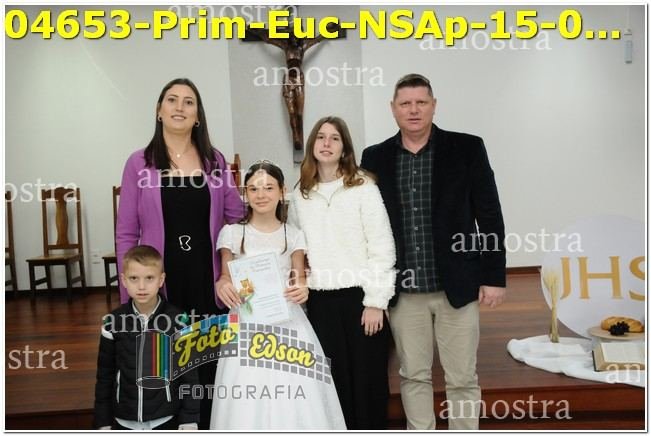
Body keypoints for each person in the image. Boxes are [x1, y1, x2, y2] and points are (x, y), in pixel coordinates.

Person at [360, 73, 507, 430]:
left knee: (462, 377)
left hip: (456, 285)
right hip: (404, 290)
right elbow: (366, 224)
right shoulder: (375, 157)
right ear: (393, 109)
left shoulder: (467, 148)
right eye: (405, 103)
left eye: (421, 102)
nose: (413, 110)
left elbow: (489, 214)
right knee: (413, 375)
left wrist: (493, 277)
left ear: (434, 106)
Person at [115, 78, 244, 429]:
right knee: (165, 368)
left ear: (197, 116)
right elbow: (126, 232)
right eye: (171, 100)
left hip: (207, 279)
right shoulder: (138, 163)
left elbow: (236, 218)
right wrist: (129, 294)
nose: (179, 107)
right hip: (162, 284)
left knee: (208, 368)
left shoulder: (214, 161)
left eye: (189, 102)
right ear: (159, 110)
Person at [211, 161, 346, 430]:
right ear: (245, 194)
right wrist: (222, 285)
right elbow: (225, 276)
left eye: (268, 188)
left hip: (287, 321)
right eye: (253, 189)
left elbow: (299, 278)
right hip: (246, 321)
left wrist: (302, 289)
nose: (261, 195)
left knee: (294, 388)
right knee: (247, 389)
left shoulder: (293, 235)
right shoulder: (232, 233)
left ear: (282, 191)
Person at [288, 116, 396, 429]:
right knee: (333, 385)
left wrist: (376, 301)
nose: (326, 143)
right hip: (321, 302)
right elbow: (297, 250)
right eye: (321, 137)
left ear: (345, 148)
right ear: (312, 145)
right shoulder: (301, 194)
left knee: (368, 383)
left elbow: (382, 246)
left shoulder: (363, 187)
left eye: (334, 138)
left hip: (360, 300)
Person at [93, 245, 199, 430]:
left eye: (149, 278)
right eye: (134, 278)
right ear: (124, 280)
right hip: (124, 420)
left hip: (165, 419)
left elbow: (189, 375)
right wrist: (102, 421)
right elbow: (104, 376)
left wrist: (189, 418)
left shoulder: (179, 320)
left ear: (161, 280)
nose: (141, 286)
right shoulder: (112, 322)